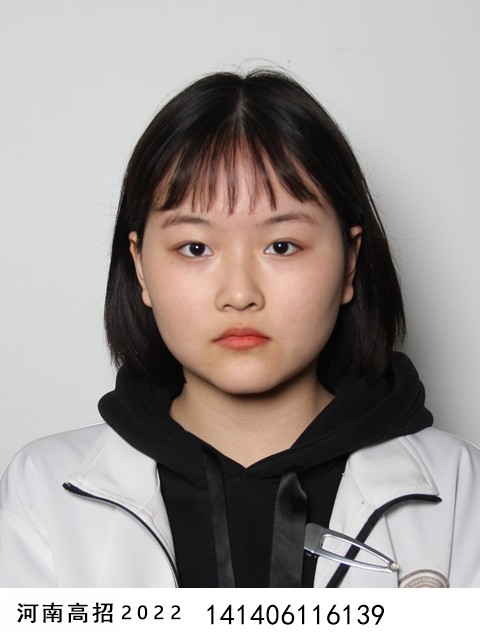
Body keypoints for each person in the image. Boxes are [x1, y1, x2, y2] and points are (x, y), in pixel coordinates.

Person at [1, 69, 480, 588]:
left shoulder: (462, 491)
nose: (239, 293)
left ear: (348, 262)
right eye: (195, 248)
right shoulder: (42, 491)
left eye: (282, 246)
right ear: (140, 268)